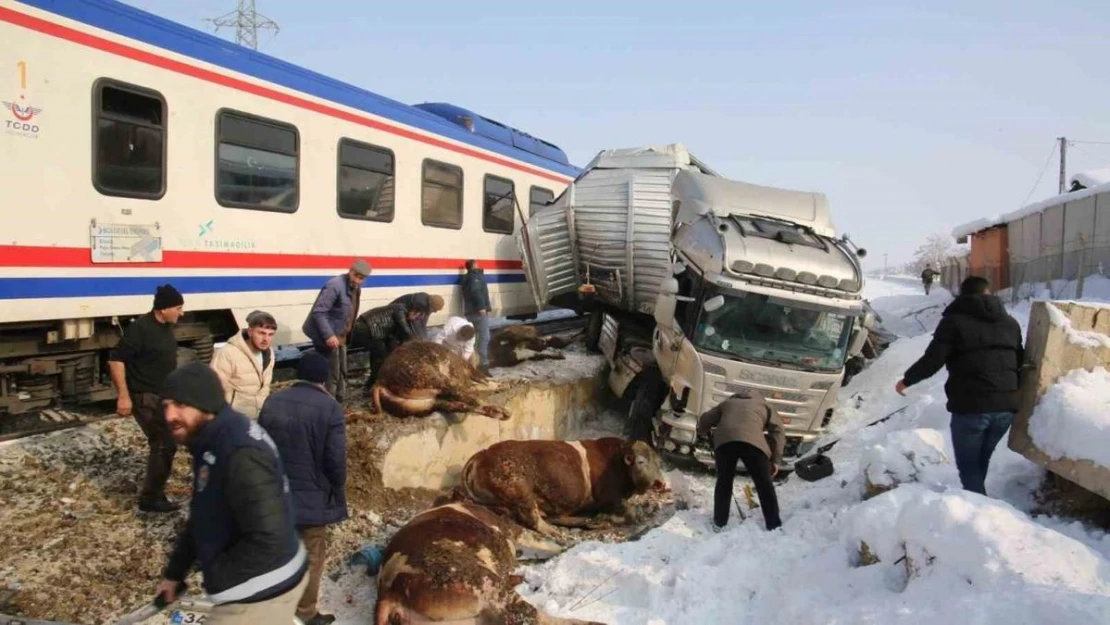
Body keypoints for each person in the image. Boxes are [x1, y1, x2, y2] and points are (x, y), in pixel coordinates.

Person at [156, 363, 309, 624]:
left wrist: (219, 576)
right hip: (257, 586)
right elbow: (204, 514)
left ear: (205, 404)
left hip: (260, 594)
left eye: (180, 404)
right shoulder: (212, 441)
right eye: (166, 405)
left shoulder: (238, 452)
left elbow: (269, 535)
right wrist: (175, 572)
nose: (169, 415)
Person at [896, 275, 1023, 496]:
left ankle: (980, 514)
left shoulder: (954, 322)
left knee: (969, 468)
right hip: (1006, 408)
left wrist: (907, 380)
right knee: (979, 463)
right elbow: (1020, 361)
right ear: (988, 292)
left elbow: (933, 360)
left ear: (963, 295)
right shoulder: (1010, 323)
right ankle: (980, 506)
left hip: (972, 407)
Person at [258, 351, 347, 625]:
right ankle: (305, 612)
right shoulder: (329, 407)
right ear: (323, 378)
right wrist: (336, 488)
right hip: (311, 498)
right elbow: (335, 460)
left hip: (273, 494)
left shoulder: (273, 401)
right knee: (310, 555)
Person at [107, 284, 185, 513]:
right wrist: (123, 396)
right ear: (163, 309)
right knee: (163, 443)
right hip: (144, 396)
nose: (182, 312)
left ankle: (154, 494)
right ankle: (151, 498)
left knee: (166, 443)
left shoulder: (165, 326)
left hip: (162, 395)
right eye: (178, 307)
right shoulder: (140, 329)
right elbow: (116, 360)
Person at [696, 388, 785, 532]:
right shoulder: (765, 405)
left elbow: (706, 419)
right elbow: (778, 431)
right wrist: (776, 459)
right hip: (753, 444)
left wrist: (701, 430)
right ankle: (773, 524)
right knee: (764, 484)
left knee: (724, 481)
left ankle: (719, 522)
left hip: (725, 442)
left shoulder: (727, 403)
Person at [302, 260, 371, 403]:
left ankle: (340, 401)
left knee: (342, 371)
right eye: (356, 276)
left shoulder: (356, 288)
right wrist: (328, 335)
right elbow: (319, 312)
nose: (358, 280)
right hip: (326, 335)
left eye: (362, 278)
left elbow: (350, 312)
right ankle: (328, 404)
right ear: (350, 271)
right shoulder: (335, 285)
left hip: (341, 335)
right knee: (331, 374)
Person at [210, 310, 277, 419]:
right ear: (250, 332)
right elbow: (215, 389)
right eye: (261, 333)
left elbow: (265, 387)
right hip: (233, 418)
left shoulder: (269, 354)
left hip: (258, 416)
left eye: (270, 335)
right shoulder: (228, 353)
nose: (266, 339)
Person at [352, 302, 422, 390]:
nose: (415, 320)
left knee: (381, 357)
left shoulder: (400, 310)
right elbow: (405, 329)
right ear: (413, 311)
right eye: (417, 317)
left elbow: (396, 337)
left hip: (371, 330)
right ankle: (374, 385)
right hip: (368, 329)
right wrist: (416, 343)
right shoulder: (400, 310)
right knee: (380, 358)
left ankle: (372, 385)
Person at [461, 259, 492, 374]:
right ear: (474, 265)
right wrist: (482, 307)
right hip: (478, 312)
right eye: (477, 264)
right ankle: (483, 366)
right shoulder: (475, 277)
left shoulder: (466, 278)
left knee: (471, 340)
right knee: (484, 338)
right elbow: (476, 292)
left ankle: (471, 365)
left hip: (470, 312)